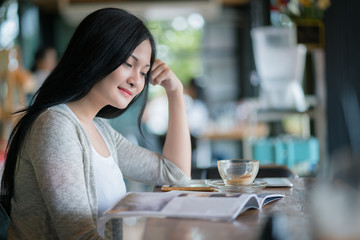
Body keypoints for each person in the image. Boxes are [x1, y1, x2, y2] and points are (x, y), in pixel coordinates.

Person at [0, 8, 191, 239]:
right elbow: (80, 237)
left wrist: (175, 92)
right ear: (96, 54)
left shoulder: (100, 129)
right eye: (128, 64)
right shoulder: (55, 126)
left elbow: (175, 175)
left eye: (144, 72)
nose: (136, 81)